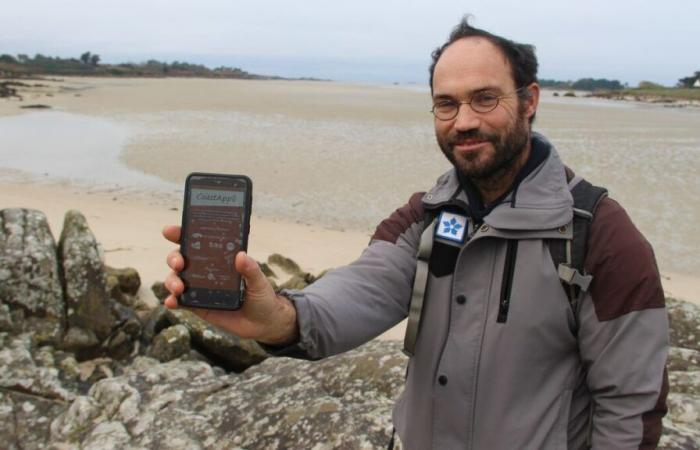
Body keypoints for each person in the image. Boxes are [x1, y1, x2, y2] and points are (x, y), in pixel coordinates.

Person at [163, 17, 669, 450]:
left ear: (530, 99)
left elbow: (631, 405)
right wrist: (276, 318)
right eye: (446, 104)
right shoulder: (424, 216)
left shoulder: (598, 235)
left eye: (484, 98)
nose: (464, 121)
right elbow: (358, 293)